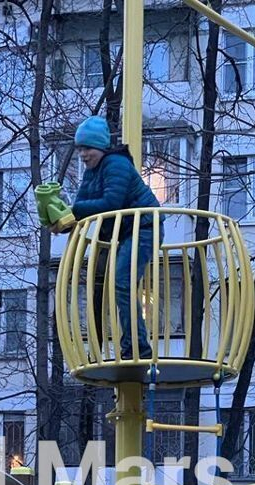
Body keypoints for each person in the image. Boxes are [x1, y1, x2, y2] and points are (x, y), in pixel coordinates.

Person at [62, 115, 161, 360]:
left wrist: (74, 211)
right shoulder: (91, 172)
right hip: (125, 231)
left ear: (100, 147)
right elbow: (80, 207)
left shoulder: (116, 163)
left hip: (144, 227)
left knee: (122, 281)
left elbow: (111, 202)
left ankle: (137, 347)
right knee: (117, 283)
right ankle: (132, 344)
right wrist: (61, 219)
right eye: (80, 149)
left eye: (87, 148)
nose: (83, 154)